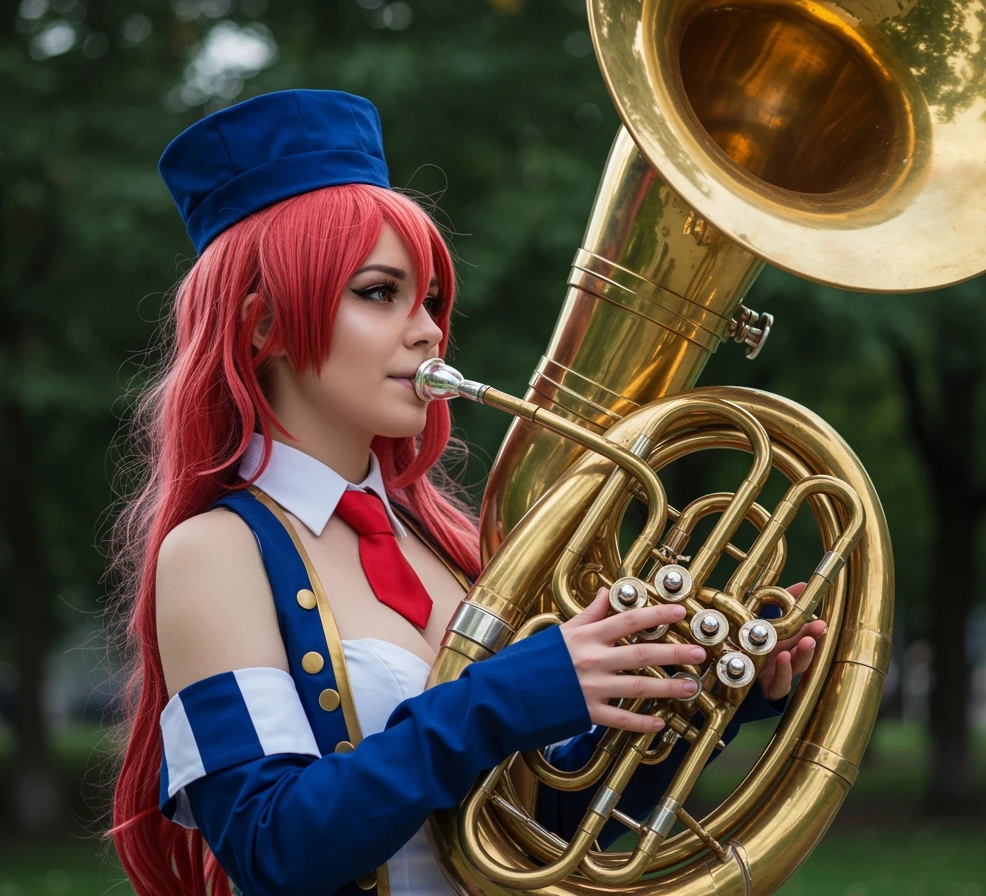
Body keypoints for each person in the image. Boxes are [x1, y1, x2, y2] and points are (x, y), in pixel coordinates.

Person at [105, 89, 827, 896]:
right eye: (379, 292)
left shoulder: (451, 546)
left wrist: (702, 688)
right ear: (262, 325)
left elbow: (543, 830)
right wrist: (511, 694)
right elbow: (273, 846)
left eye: (431, 300)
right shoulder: (214, 551)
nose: (427, 330)